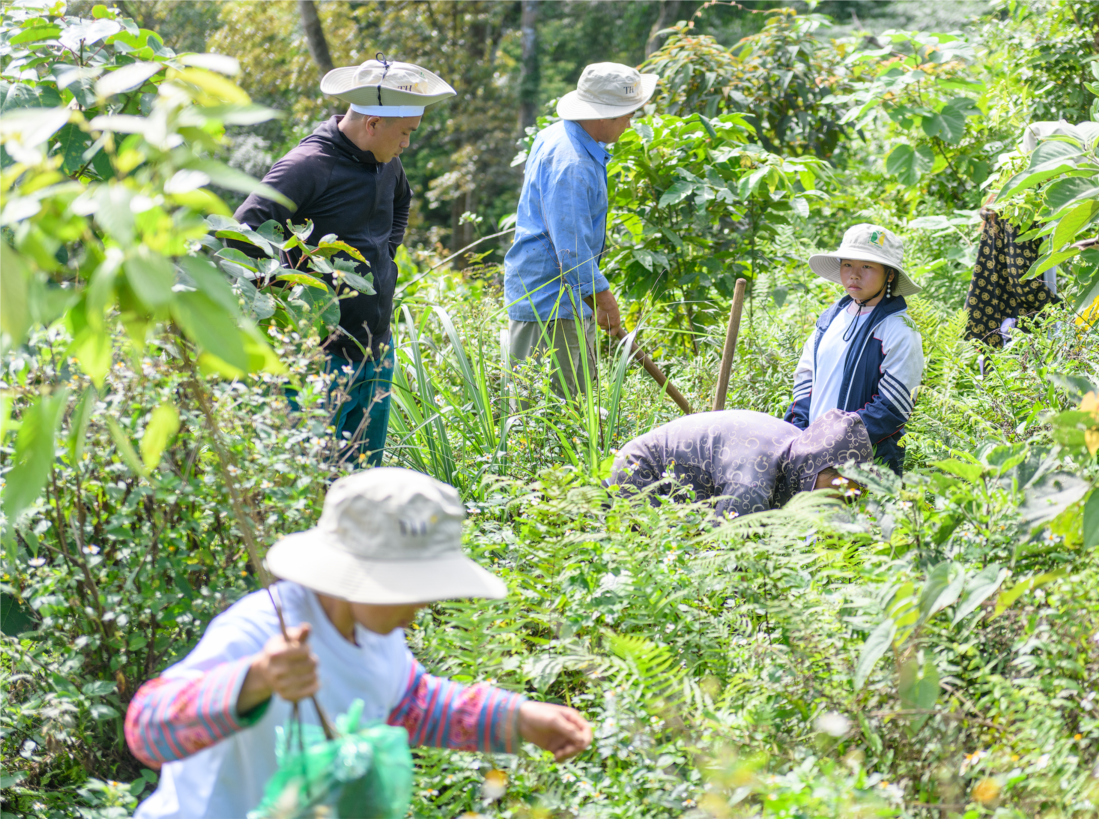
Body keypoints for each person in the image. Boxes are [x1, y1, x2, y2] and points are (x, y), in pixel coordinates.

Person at [124, 468, 592, 818]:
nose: (426, 603)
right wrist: (256, 680)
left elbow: (411, 703)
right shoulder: (260, 629)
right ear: (359, 576)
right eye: (415, 585)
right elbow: (147, 729)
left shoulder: (376, 633)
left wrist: (520, 718)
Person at [233, 58, 457, 466]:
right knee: (315, 477)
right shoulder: (308, 166)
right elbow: (243, 231)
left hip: (376, 350)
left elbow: (402, 203)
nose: (407, 143)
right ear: (373, 124)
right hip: (320, 356)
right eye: (405, 133)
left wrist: (384, 257)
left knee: (363, 478)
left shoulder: (386, 161)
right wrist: (278, 291)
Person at [503, 62, 657, 400]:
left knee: (573, 407)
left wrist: (594, 301)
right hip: (552, 305)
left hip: (566, 299)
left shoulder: (562, 135)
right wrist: (603, 298)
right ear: (602, 116)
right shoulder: (572, 162)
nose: (631, 122)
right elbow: (570, 249)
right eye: (626, 114)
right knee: (552, 417)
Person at [785, 225, 924, 475]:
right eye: (847, 264)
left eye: (867, 266)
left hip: (868, 465)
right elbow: (805, 381)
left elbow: (893, 406)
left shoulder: (899, 330)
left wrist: (833, 440)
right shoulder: (828, 321)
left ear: (890, 275)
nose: (854, 275)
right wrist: (801, 434)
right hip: (810, 455)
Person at [607, 408, 872, 518]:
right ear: (820, 467)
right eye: (841, 487)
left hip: (683, 480)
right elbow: (731, 552)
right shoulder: (752, 483)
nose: (841, 499)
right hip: (642, 473)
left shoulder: (799, 449)